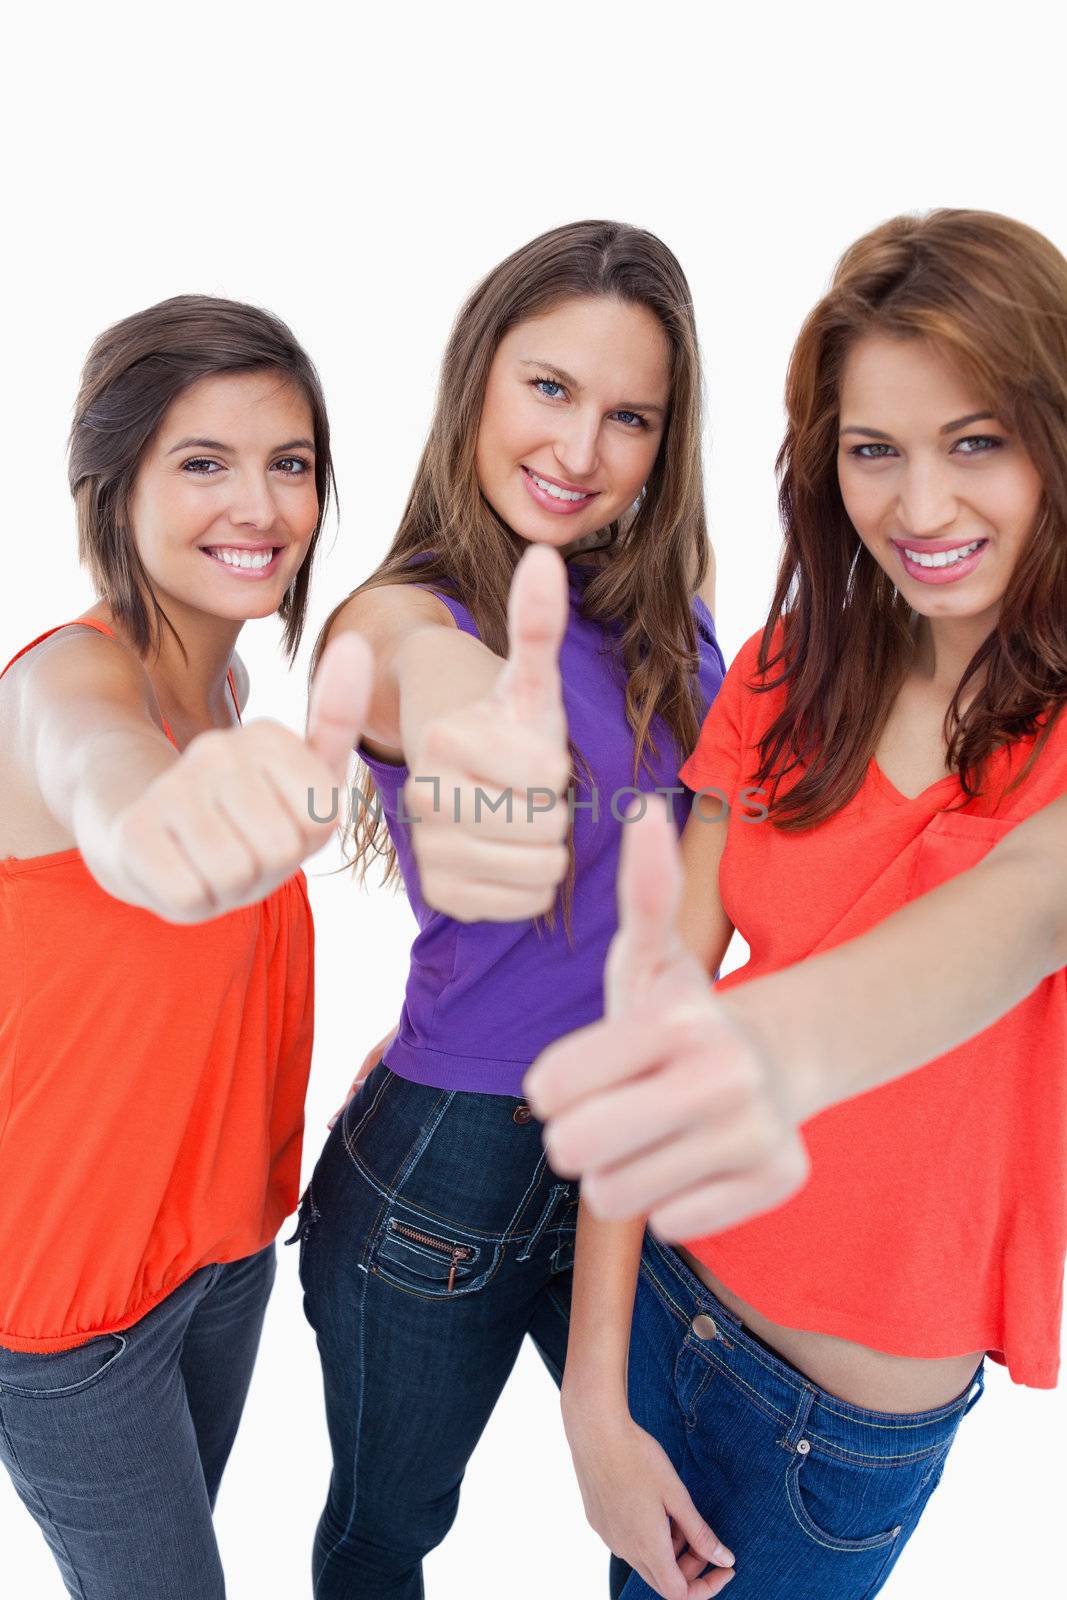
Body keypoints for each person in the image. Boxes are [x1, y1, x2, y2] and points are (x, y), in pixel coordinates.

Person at [525, 208, 1067, 1600]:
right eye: (873, 449)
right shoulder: (785, 673)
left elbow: (1020, 904)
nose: (921, 508)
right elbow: (658, 995)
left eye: (977, 441)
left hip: (831, 1439)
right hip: (660, 1306)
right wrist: (594, 1397)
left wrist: (775, 1049)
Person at [294, 220, 726, 1599]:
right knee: (386, 1533)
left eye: (629, 416)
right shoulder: (399, 616)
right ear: (477, 380)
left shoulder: (673, 614)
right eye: (548, 388)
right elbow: (419, 679)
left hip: (633, 1161)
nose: (581, 449)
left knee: (687, 1523)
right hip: (448, 1179)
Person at [0, 295, 370, 1600]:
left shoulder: (233, 696)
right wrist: (154, 833)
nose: (257, 505)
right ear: (114, 482)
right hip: (67, 1312)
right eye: (202, 462)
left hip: (218, 1259)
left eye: (291, 462)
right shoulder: (64, 689)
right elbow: (112, 795)